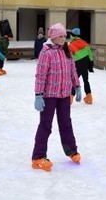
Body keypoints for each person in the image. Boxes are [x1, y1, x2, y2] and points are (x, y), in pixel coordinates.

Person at [31, 23, 82, 172]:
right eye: (60, 36)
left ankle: (71, 150)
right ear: (53, 37)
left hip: (64, 94)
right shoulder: (46, 52)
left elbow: (72, 69)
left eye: (64, 36)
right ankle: (38, 157)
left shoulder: (67, 50)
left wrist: (77, 86)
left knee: (66, 123)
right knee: (46, 125)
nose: (63, 38)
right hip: (49, 95)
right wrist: (38, 95)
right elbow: (40, 76)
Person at [68, 27, 95, 104]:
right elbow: (89, 52)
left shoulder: (71, 44)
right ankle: (89, 97)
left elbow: (70, 55)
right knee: (86, 80)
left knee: (74, 80)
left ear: (72, 35)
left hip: (77, 63)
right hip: (86, 63)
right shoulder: (84, 42)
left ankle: (70, 98)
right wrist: (91, 61)